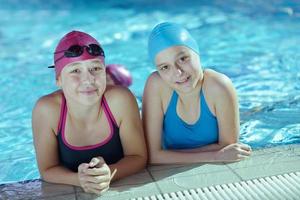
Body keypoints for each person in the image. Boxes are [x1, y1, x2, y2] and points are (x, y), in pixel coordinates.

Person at [32, 30, 147, 195]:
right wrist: (80, 179)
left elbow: (138, 157)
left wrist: (111, 173)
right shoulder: (47, 110)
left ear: (104, 71)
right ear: (58, 80)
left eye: (95, 68)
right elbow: (47, 169)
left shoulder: (120, 100)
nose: (88, 79)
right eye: (75, 71)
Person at [142, 22, 252, 165]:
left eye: (183, 59)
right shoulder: (156, 85)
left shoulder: (219, 86)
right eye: (165, 67)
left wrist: (168, 155)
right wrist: (215, 156)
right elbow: (152, 156)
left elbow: (229, 148)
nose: (178, 72)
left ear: (197, 53)